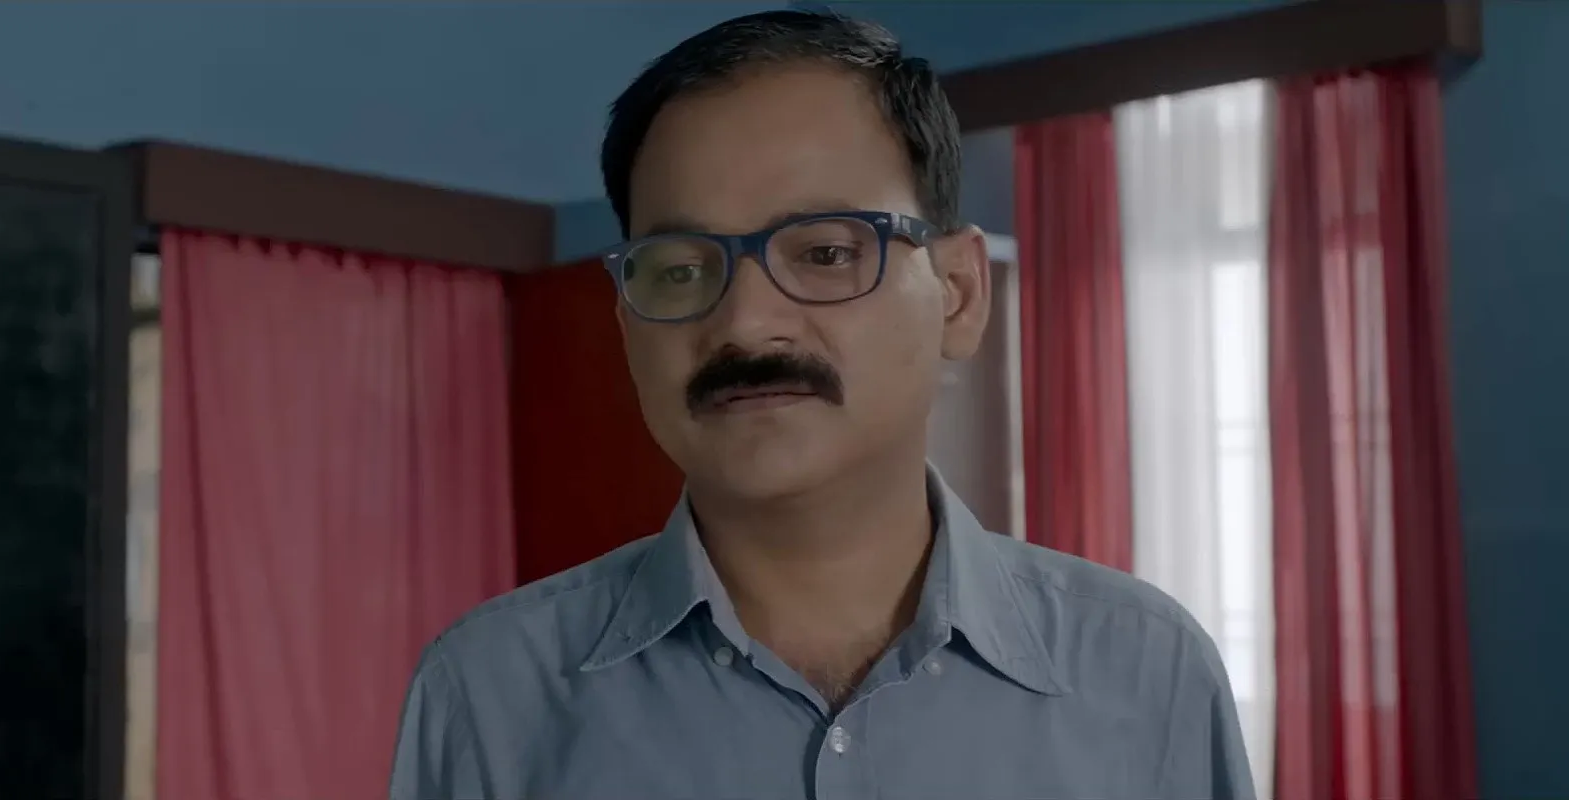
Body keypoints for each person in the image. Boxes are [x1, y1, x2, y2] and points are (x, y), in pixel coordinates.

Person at [389, 10, 1254, 800]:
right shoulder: (489, 696)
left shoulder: (1147, 672)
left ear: (957, 293)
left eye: (827, 253)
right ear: (627, 324)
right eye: (681, 269)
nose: (744, 322)